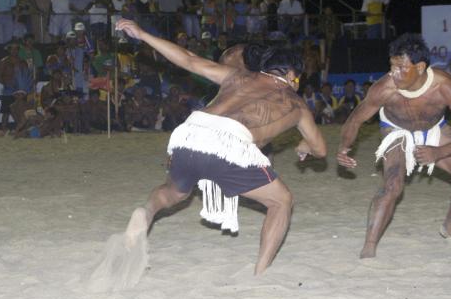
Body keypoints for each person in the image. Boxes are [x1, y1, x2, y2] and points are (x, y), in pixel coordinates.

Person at [114, 18, 327, 275]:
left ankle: (146, 211)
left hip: (189, 132)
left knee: (176, 193)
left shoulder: (237, 76)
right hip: (229, 142)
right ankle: (260, 271)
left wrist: (142, 34)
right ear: (292, 75)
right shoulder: (297, 105)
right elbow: (321, 150)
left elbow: (188, 60)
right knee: (282, 201)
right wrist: (305, 146)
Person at [336, 33, 451, 259]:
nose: (394, 73)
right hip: (396, 130)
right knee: (392, 186)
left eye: (401, 68)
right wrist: (344, 147)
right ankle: (369, 247)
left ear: (421, 66)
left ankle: (450, 227)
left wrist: (439, 152)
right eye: (392, 66)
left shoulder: (447, 86)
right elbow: (356, 119)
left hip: (435, 130)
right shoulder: (383, 88)